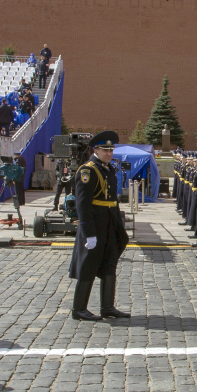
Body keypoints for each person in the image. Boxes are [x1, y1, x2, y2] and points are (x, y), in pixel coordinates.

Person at [68, 131, 131, 321]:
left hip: (110, 222)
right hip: (95, 224)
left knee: (109, 263)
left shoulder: (107, 168)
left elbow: (113, 200)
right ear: (95, 150)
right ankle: (79, 309)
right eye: (105, 150)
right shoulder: (88, 170)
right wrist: (89, 233)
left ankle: (108, 307)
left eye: (111, 150)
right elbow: (83, 204)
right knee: (88, 265)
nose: (109, 154)